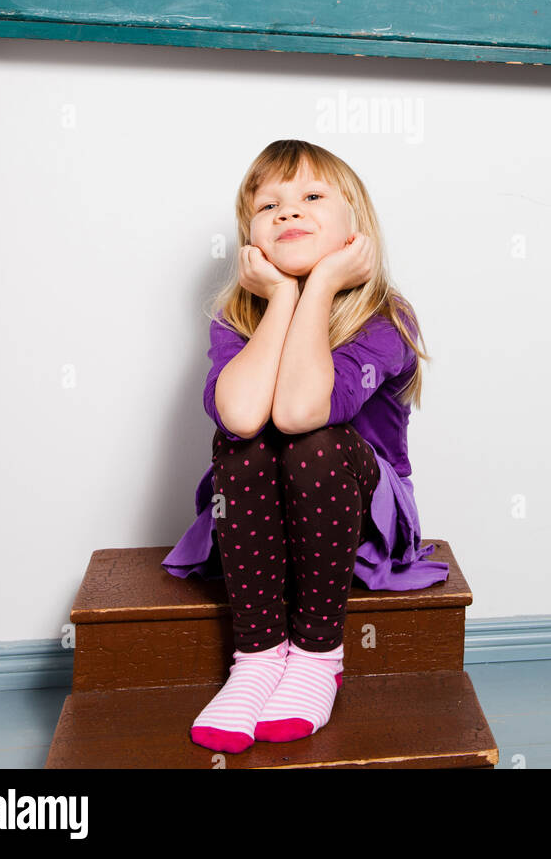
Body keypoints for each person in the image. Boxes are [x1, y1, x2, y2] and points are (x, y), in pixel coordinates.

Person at [162, 138, 449, 753]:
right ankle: (259, 658)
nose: (288, 213)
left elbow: (300, 413)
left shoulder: (385, 317)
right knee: (242, 444)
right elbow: (240, 417)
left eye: (312, 197)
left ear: (357, 225)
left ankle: (318, 657)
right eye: (269, 206)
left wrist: (317, 288)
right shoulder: (235, 317)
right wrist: (283, 300)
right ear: (251, 240)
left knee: (311, 441)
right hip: (257, 515)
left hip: (357, 512)